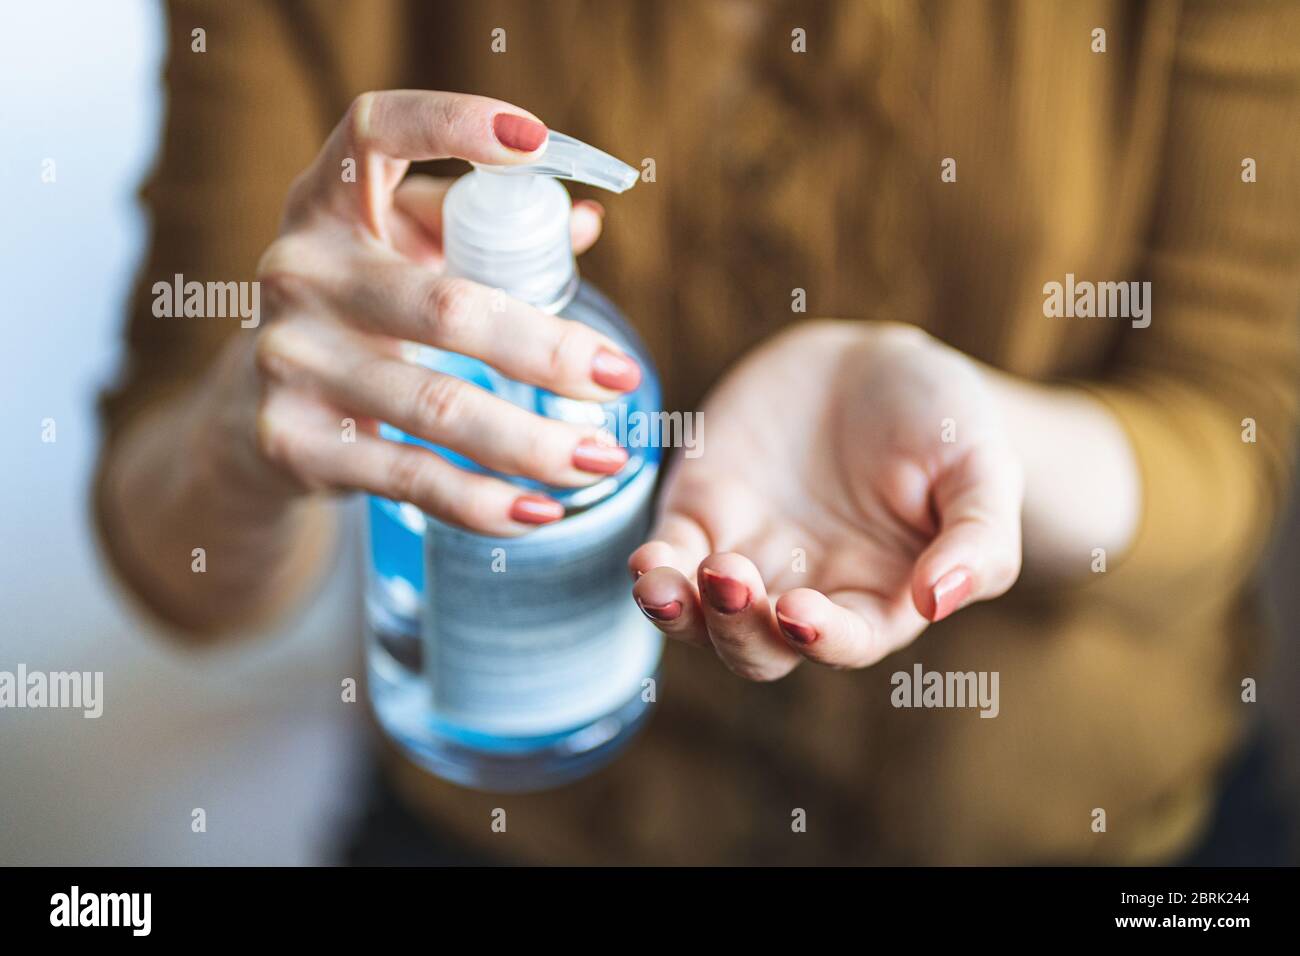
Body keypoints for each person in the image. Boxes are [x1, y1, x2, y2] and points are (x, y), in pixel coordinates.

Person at [95, 0, 1300, 864]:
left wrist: (980, 435)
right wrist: (240, 438)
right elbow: (178, 568)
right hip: (493, 829)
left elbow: (1227, 432)